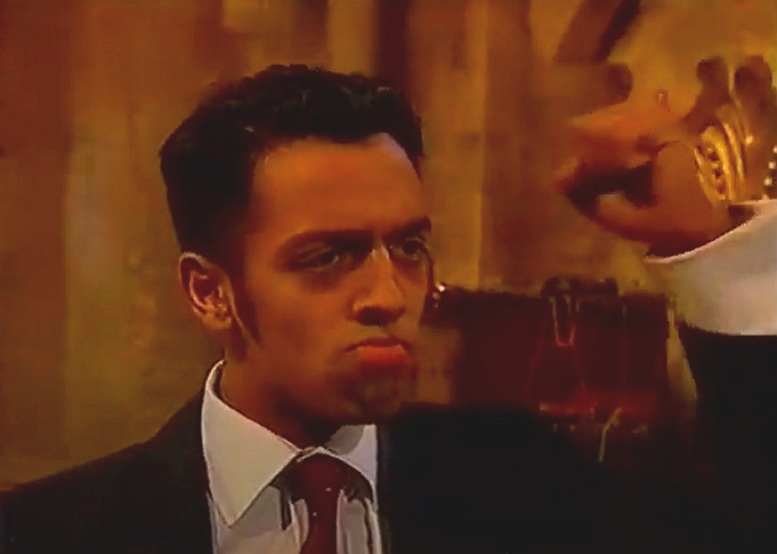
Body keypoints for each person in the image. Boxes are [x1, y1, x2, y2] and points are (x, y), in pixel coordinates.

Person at [0, 64, 775, 554]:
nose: (387, 295)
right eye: (326, 256)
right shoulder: (47, 534)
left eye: (407, 247)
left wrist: (702, 247)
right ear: (210, 292)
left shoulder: (518, 481)